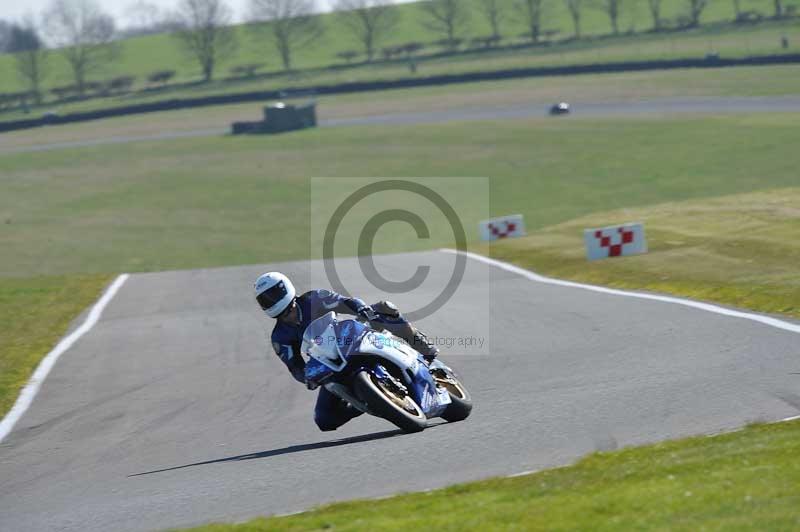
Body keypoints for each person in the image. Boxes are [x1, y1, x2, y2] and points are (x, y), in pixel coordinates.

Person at [254, 272, 439, 431]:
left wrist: (362, 309)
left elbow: (346, 302)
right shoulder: (279, 337)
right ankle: (367, 402)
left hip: (348, 339)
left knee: (385, 308)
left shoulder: (314, 298)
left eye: (272, 295)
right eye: (265, 300)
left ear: (284, 288)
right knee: (324, 420)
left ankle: (421, 345)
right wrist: (306, 378)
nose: (270, 302)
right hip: (328, 362)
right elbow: (294, 365)